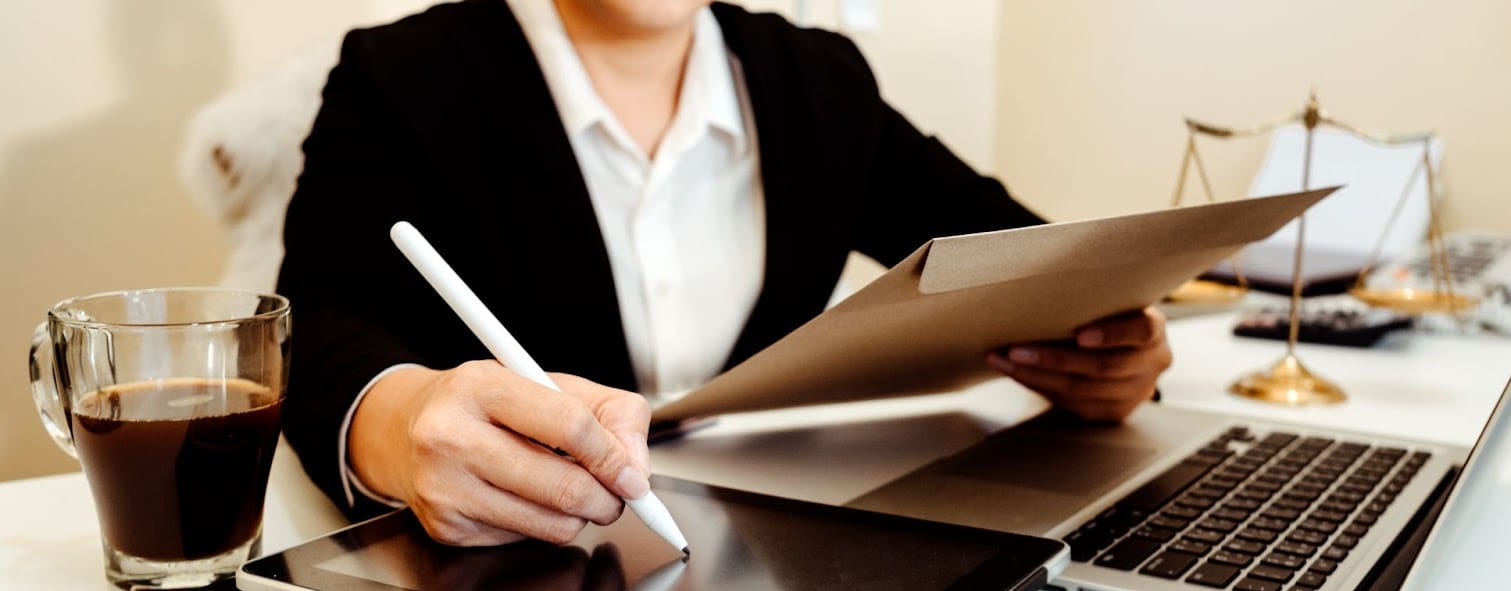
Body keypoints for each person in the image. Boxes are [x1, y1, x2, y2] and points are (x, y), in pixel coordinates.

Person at [277, 0, 1173, 547]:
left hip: (773, 565)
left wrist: (1112, 347)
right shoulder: (401, 77)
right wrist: (399, 431)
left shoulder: (817, 81)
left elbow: (1024, 256)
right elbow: (319, 327)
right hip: (515, 584)